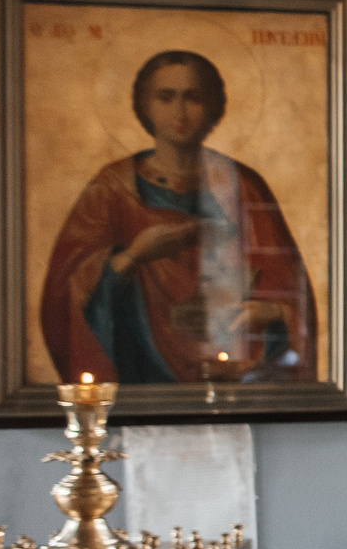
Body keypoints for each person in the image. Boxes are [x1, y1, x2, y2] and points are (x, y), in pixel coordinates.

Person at [40, 51, 316, 385]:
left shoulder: (243, 186)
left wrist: (273, 311)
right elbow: (65, 296)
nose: (180, 112)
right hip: (138, 375)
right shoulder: (112, 190)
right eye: (166, 97)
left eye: (193, 98)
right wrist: (134, 256)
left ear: (214, 107)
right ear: (145, 106)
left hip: (231, 372)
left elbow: (289, 286)